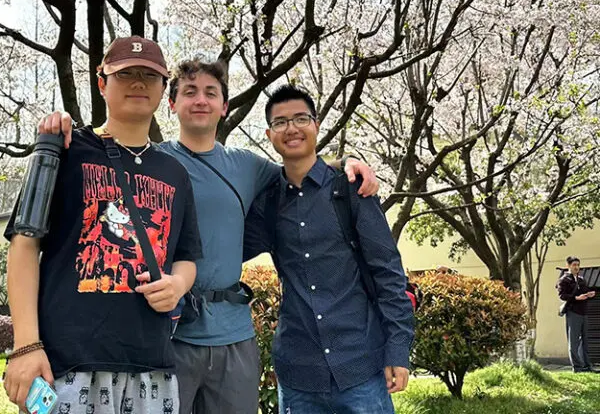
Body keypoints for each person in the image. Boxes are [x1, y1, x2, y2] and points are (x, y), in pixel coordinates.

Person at [39, 58, 379, 413]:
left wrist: (349, 163)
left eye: (210, 93)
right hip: (169, 333)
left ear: (224, 106)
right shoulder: (154, 162)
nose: (200, 100)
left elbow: (298, 169)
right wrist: (62, 124)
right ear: (171, 104)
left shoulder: (247, 165)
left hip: (234, 334)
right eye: (189, 92)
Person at [4, 37, 202, 414]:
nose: (139, 82)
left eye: (150, 76)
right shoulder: (65, 150)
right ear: (101, 83)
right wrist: (27, 346)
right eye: (125, 73)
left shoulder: (176, 173)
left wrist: (177, 285)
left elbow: (188, 255)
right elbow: (24, 244)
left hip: (152, 369)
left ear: (165, 90)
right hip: (68, 366)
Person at [243, 84, 414, 414]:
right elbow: (225, 248)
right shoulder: (268, 202)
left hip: (360, 366)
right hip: (298, 373)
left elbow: (388, 272)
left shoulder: (350, 188)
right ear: (269, 134)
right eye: (280, 122)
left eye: (301, 118)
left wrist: (397, 348)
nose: (291, 128)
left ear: (316, 125)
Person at [558, 256, 596, 373]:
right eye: (574, 265)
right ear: (568, 266)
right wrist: (575, 298)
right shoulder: (564, 280)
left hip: (584, 312)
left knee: (585, 339)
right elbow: (562, 295)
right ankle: (577, 367)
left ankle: (587, 366)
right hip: (573, 312)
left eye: (578, 265)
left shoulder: (581, 279)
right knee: (574, 341)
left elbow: (584, 292)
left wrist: (589, 294)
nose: (577, 267)